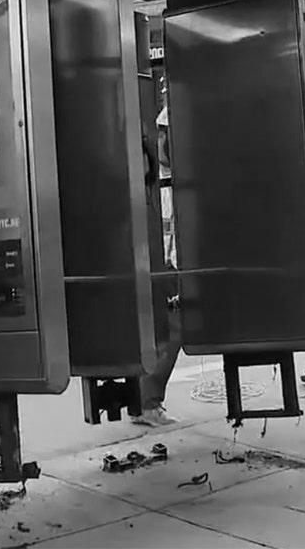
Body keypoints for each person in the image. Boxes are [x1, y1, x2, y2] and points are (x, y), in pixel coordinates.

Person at [135, 96, 181, 428]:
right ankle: (149, 402)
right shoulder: (157, 184)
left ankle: (145, 401)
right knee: (172, 333)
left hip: (169, 263)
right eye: (163, 136)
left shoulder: (172, 183)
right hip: (166, 266)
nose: (166, 144)